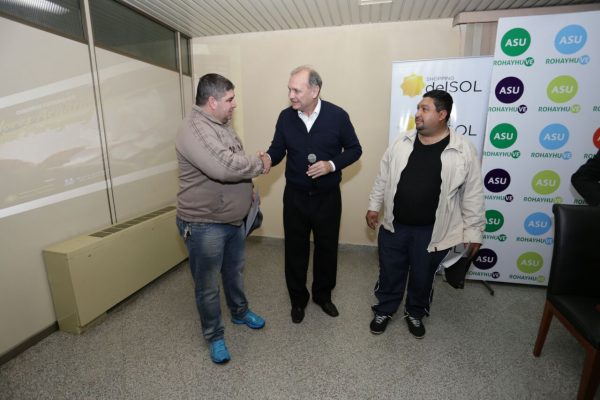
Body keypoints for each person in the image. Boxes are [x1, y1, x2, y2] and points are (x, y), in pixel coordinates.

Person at [365, 90, 485, 339]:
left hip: (432, 231)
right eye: (418, 108)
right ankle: (384, 309)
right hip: (394, 226)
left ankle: (415, 313)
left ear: (442, 115)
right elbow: (383, 177)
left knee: (422, 276)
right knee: (390, 272)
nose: (417, 114)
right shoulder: (402, 142)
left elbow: (473, 193)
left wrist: (474, 231)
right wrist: (374, 206)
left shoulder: (462, 150)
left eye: (424, 109)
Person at [175, 73, 271, 364]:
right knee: (207, 286)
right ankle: (214, 335)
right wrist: (260, 163)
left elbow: (234, 159)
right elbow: (225, 167)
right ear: (212, 101)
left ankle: (240, 313)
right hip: (205, 224)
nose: (234, 104)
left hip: (232, 221)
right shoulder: (194, 129)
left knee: (234, 272)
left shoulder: (221, 125)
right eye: (230, 99)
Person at [265, 66, 362, 323]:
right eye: (289, 89)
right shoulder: (286, 117)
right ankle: (298, 300)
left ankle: (323, 295)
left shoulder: (337, 116)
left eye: (296, 90)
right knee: (294, 250)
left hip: (327, 198)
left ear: (315, 90)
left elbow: (355, 149)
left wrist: (331, 165)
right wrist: (267, 159)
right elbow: (277, 149)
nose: (291, 95)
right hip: (295, 197)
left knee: (327, 249)